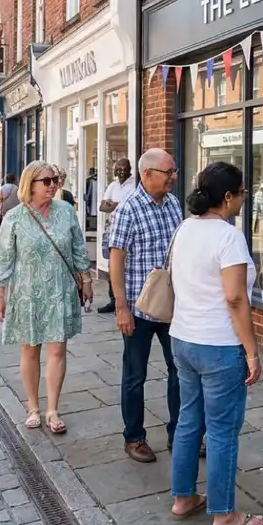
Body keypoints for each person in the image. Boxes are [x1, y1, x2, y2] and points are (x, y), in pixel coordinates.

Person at [167, 162, 263, 525]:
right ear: (227, 197)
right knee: (223, 430)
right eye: (241, 193)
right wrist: (252, 351)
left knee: (189, 420)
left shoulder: (185, 229)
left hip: (183, 338)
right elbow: (236, 299)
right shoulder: (228, 236)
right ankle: (225, 515)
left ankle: (184, 497)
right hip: (219, 345)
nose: (243, 199)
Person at [0, 161, 94, 433]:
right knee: (30, 348)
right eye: (46, 181)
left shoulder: (65, 212)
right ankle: (33, 406)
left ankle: (53, 410)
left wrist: (86, 279)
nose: (52, 185)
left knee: (58, 349)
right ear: (30, 185)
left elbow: (78, 248)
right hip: (27, 293)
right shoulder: (14, 217)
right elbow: (3, 258)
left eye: (55, 180)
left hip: (60, 291)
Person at [109, 148, 182, 463]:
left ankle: (180, 433)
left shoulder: (174, 204)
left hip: (171, 306)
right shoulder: (128, 209)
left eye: (173, 171)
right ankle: (134, 437)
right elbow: (116, 259)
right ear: (147, 174)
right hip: (139, 308)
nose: (173, 177)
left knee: (179, 370)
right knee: (135, 374)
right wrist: (121, 306)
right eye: (168, 172)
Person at [97, 158, 136, 314]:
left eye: (123, 169)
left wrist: (113, 204)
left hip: (128, 231)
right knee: (111, 266)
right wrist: (120, 204)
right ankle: (113, 300)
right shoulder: (112, 186)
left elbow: (131, 207)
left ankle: (127, 300)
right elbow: (102, 206)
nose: (120, 171)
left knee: (125, 266)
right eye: (118, 169)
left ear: (129, 169)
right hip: (111, 230)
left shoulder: (134, 185)